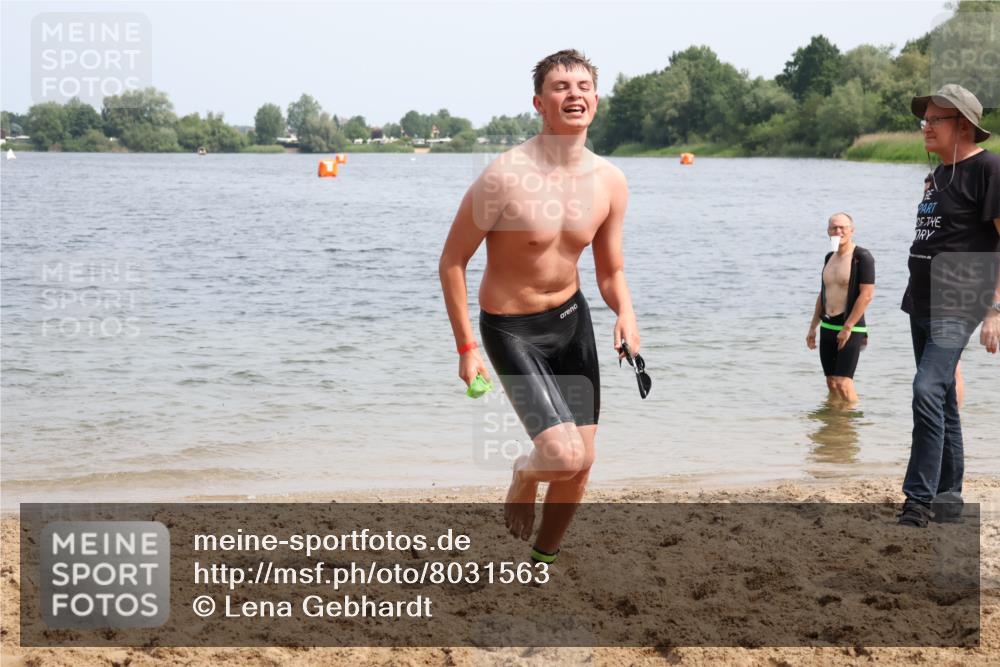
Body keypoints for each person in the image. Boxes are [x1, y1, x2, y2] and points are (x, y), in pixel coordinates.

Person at [438, 50, 640, 561]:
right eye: (559, 86)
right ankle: (522, 474)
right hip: (512, 330)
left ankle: (542, 560)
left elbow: (610, 271)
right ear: (539, 103)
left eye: (582, 85)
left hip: (571, 321)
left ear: (595, 99)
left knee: (582, 462)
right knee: (558, 454)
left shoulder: (610, 181)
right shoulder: (504, 177)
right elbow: (452, 262)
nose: (574, 93)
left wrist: (626, 314)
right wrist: (466, 347)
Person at [898, 84, 1000, 527]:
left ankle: (917, 502)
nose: (925, 127)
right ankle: (949, 495)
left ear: (962, 125)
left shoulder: (989, 169)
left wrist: (995, 310)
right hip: (921, 298)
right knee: (941, 400)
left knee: (925, 390)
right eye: (924, 120)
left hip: (960, 299)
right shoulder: (936, 175)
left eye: (933, 120)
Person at [807, 213, 875, 405]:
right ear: (828, 232)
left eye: (842, 227)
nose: (838, 231)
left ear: (851, 230)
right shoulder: (829, 257)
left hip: (851, 327)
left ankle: (853, 425)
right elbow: (823, 293)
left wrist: (848, 327)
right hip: (828, 325)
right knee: (831, 383)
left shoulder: (862, 257)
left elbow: (867, 295)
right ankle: (836, 427)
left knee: (844, 383)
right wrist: (813, 327)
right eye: (834, 228)